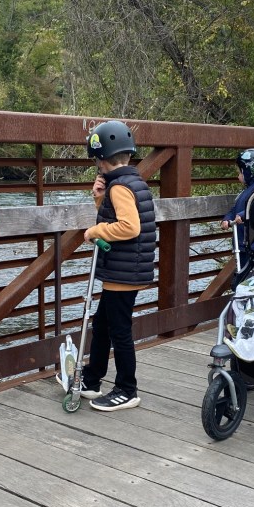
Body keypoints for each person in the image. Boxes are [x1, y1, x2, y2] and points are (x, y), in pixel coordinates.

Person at [74, 119, 156, 411]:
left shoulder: (119, 187)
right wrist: (100, 200)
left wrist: (95, 231)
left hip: (123, 272)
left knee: (119, 331)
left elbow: (129, 227)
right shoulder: (133, 181)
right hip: (126, 269)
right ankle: (92, 379)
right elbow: (119, 217)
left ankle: (126, 389)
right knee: (103, 324)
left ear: (100, 159)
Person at [220, 148, 254, 249]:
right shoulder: (246, 191)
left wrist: (243, 215)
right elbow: (235, 209)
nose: (238, 176)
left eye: (240, 172)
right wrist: (227, 218)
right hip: (242, 243)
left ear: (247, 172)